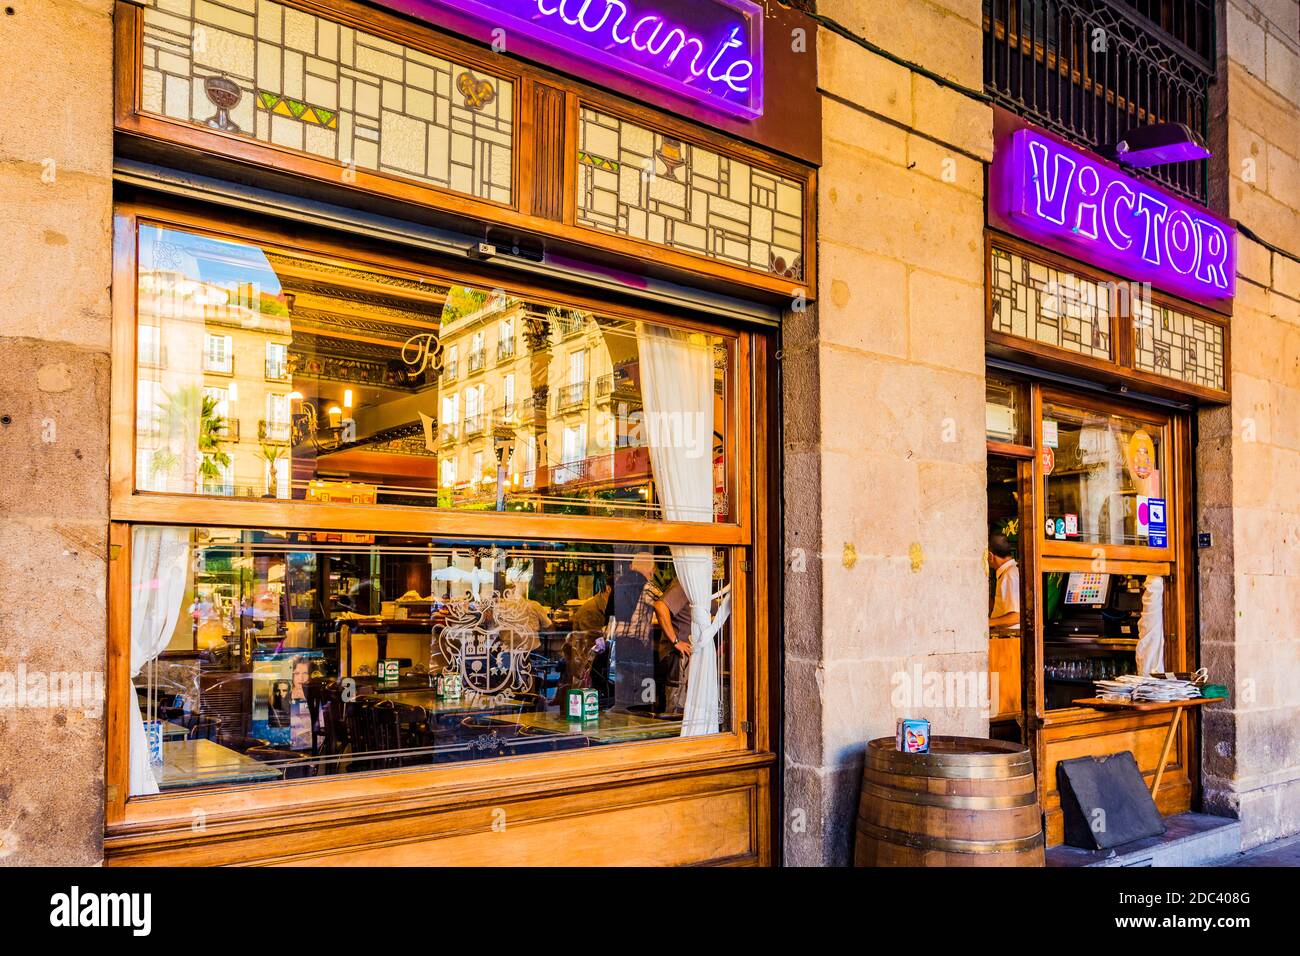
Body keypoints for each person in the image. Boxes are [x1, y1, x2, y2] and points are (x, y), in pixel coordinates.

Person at [609, 553, 662, 713]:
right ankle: (643, 712)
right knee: (641, 684)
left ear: (632, 566)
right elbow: (666, 605)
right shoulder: (647, 587)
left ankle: (622, 711)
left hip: (616, 643)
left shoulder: (619, 584)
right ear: (651, 570)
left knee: (623, 684)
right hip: (635, 644)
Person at [987, 533, 1021, 630]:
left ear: (990, 555)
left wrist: (988, 623)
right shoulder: (1009, 572)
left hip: (1009, 640)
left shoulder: (1009, 575)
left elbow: (1016, 617)